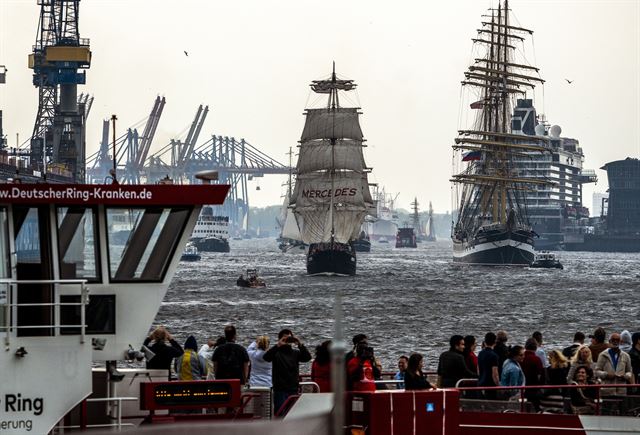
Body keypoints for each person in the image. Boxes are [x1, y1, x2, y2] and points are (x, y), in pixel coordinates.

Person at [263, 329, 312, 415]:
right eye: (284, 339)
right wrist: (278, 345)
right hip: (280, 388)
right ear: (280, 339)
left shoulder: (295, 353)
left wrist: (300, 344)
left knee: (292, 414)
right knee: (280, 413)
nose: (287, 341)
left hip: (293, 387)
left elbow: (307, 357)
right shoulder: (276, 353)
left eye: (289, 338)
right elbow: (266, 358)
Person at [521, 338, 544, 410]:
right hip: (534, 389)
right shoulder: (537, 359)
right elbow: (539, 376)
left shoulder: (521, 358)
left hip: (521, 388)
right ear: (536, 347)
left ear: (525, 346)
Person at [477, 332, 500, 399]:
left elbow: (478, 370)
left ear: (485, 342)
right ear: (494, 342)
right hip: (490, 385)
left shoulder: (480, 353)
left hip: (480, 384)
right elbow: (495, 374)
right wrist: (498, 385)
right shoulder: (494, 356)